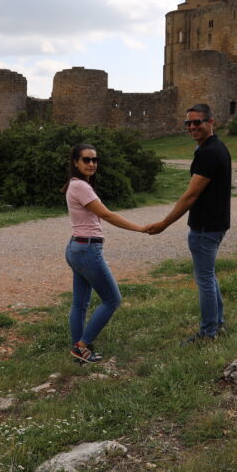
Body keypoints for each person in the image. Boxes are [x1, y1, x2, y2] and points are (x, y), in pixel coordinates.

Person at [145, 103, 232, 343]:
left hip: (205, 226)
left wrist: (164, 223)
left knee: (204, 279)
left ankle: (208, 333)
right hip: (216, 223)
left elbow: (191, 195)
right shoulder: (217, 147)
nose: (192, 127)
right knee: (209, 275)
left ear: (210, 122)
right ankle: (218, 324)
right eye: (188, 123)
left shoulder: (208, 153)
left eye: (197, 122)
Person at [64, 143, 146, 363]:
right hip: (87, 250)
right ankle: (82, 346)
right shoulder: (81, 186)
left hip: (77, 247)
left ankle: (78, 352)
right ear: (75, 162)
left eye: (95, 160)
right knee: (112, 300)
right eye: (86, 160)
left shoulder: (76, 185)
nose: (92, 164)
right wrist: (141, 228)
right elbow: (107, 215)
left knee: (80, 304)